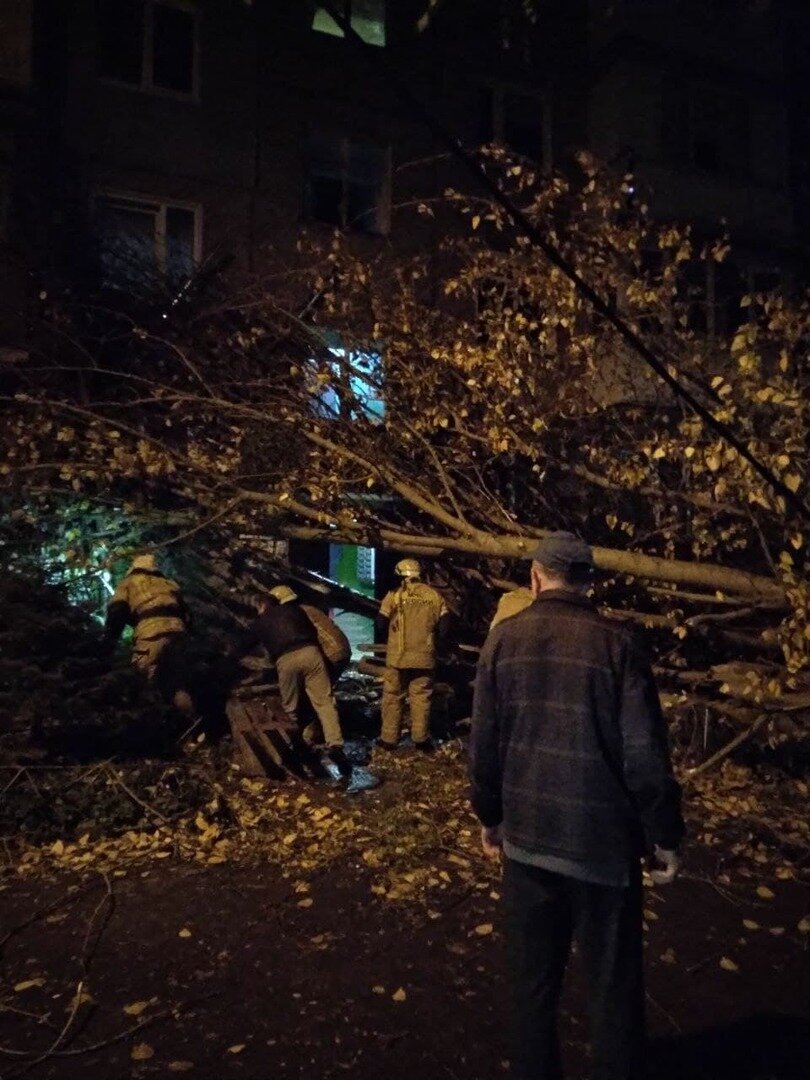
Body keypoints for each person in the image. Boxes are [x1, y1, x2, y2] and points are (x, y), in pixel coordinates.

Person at [469, 531, 684, 1080]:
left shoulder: (503, 641)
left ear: (536, 578)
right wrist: (664, 835)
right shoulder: (618, 644)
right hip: (602, 850)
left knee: (531, 993)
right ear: (590, 583)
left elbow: (485, 745)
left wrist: (491, 817)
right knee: (613, 993)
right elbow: (643, 754)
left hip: (529, 841)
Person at [231, 594, 366, 790]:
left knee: (291, 706)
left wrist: (231, 657)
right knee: (324, 702)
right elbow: (312, 632)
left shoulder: (262, 621)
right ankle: (335, 745)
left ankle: (297, 746)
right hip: (312, 654)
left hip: (286, 660)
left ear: (262, 605)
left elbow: (244, 645)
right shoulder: (297, 611)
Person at [105, 552, 194, 715]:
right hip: (178, 632)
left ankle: (154, 726)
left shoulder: (129, 583)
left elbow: (116, 611)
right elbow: (187, 614)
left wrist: (108, 645)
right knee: (177, 682)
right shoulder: (169, 584)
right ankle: (191, 723)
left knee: (142, 679)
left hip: (151, 634)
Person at [377, 558, 449, 752]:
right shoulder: (435, 596)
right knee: (422, 698)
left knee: (393, 696)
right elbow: (444, 628)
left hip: (398, 658)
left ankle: (389, 739)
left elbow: (381, 623)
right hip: (424, 658)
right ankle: (420, 739)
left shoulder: (394, 596)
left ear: (402, 576)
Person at [268, 585, 352, 685]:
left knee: (313, 688)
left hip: (331, 654)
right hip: (341, 650)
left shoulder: (293, 614)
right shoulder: (307, 608)